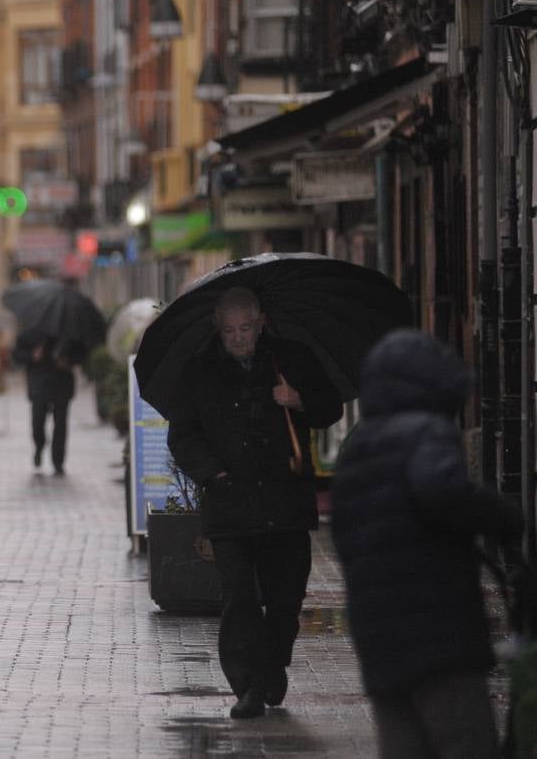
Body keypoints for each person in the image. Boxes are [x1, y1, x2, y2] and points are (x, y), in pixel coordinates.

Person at [332, 330, 520, 757]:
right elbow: (440, 490)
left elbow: (343, 534)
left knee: (404, 746)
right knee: (465, 741)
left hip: (377, 635)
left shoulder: (358, 445)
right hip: (438, 630)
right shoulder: (428, 431)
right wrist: (503, 516)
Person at [167, 286, 343, 719]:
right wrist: (214, 473)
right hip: (231, 505)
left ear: (261, 321)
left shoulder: (290, 359)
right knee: (240, 601)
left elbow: (331, 407)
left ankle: (272, 663)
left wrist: (298, 399)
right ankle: (248, 686)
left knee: (286, 599)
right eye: (230, 331)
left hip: (285, 502)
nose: (240, 337)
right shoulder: (199, 372)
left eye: (246, 328)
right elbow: (183, 436)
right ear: (218, 329)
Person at [12, 331, 81, 474]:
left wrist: (68, 360)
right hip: (39, 383)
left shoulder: (68, 332)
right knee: (38, 422)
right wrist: (32, 356)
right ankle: (39, 445)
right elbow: (17, 355)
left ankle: (58, 462)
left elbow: (82, 353)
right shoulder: (30, 332)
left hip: (62, 384)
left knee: (60, 425)